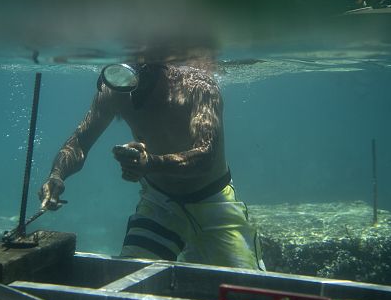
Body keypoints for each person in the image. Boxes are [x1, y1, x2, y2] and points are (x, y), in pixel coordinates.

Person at [38, 62, 264, 270]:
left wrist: (151, 163)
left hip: (214, 201)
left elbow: (206, 157)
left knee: (244, 288)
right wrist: (57, 175)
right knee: (131, 277)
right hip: (159, 202)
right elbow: (80, 141)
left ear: (162, 67)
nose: (134, 91)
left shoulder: (200, 87)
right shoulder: (115, 91)